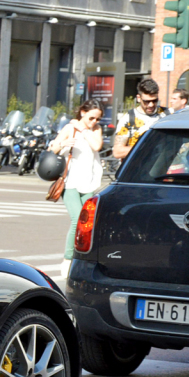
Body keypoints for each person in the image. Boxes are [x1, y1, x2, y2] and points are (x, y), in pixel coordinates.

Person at [52, 99, 104, 276]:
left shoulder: (94, 130)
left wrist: (84, 128)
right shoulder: (69, 128)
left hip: (89, 181)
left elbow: (97, 145)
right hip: (70, 182)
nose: (94, 122)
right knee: (77, 219)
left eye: (97, 119)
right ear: (82, 112)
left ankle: (83, 258)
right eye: (91, 118)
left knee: (88, 223)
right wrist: (62, 145)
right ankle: (68, 259)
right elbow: (53, 147)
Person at [112, 77, 161, 161]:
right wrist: (146, 148)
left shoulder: (167, 114)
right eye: (146, 101)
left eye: (154, 100)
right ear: (138, 98)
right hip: (138, 170)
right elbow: (117, 152)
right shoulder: (128, 119)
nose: (151, 105)